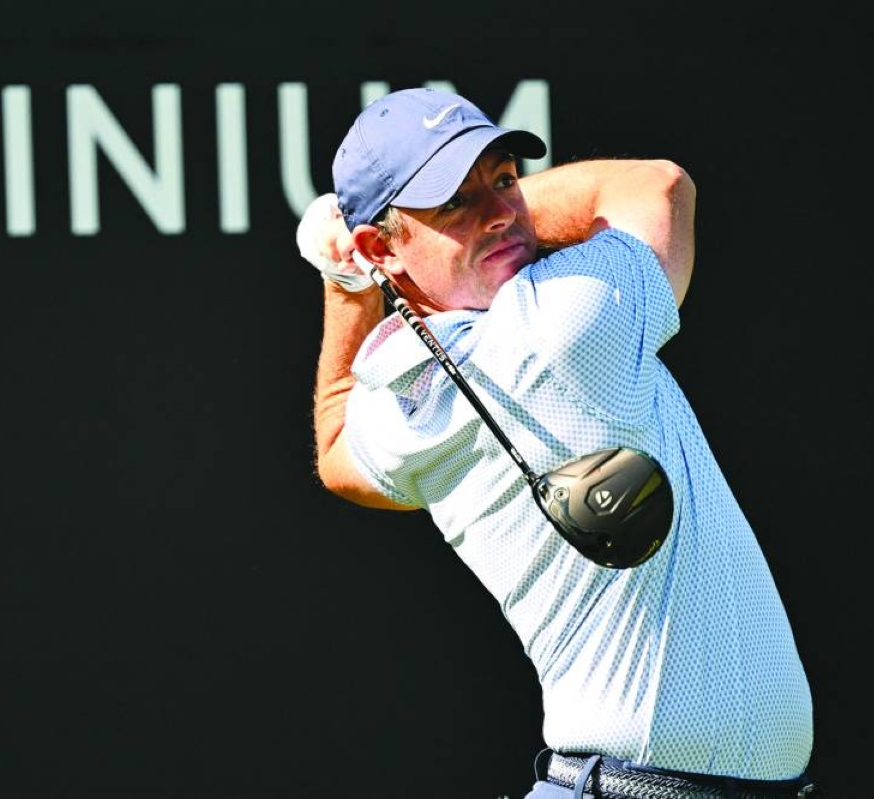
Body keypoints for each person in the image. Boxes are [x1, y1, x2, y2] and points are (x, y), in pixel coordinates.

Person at [296, 87, 817, 798]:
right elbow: (655, 185)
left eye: (505, 178)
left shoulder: (398, 407)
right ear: (381, 244)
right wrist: (389, 250)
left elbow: (333, 444)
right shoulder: (562, 324)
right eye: (454, 200)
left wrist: (345, 280)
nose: (501, 211)